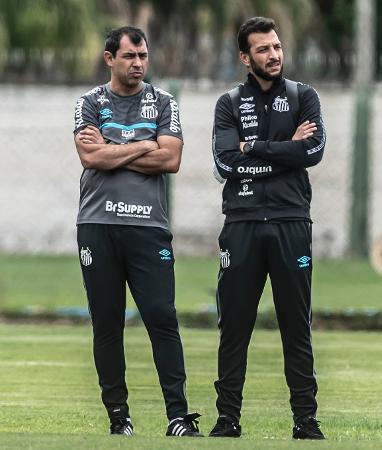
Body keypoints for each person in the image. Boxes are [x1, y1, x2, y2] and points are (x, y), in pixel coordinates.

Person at [73, 26, 202, 438]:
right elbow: (89, 155)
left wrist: (112, 150)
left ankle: (178, 418)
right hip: (98, 226)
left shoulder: (164, 101)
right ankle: (118, 419)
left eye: (143, 56)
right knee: (107, 323)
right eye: (130, 56)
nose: (138, 64)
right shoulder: (89, 102)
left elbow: (172, 158)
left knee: (162, 318)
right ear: (110, 58)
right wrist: (144, 145)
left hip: (148, 228)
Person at [210, 17, 326, 440]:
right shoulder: (228, 104)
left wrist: (253, 150)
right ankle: (228, 420)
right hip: (240, 224)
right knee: (234, 327)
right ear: (245, 57)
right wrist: (284, 150)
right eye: (263, 49)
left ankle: (306, 421)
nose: (273, 55)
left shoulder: (303, 96)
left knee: (296, 325)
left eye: (276, 47)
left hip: (291, 222)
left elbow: (311, 151)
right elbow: (225, 164)